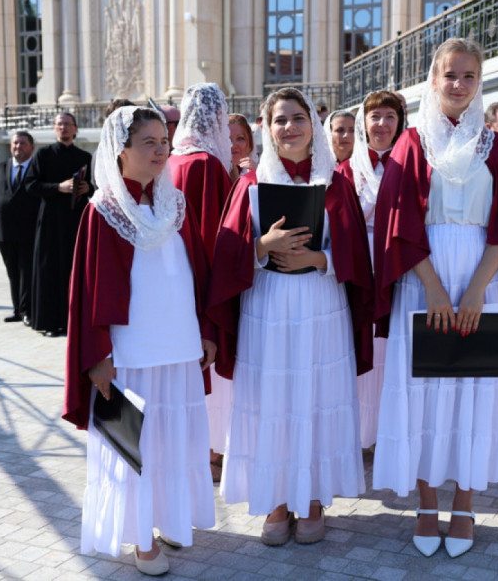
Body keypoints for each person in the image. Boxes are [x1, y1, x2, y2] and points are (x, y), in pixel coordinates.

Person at [372, 39, 498, 559]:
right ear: (434, 79)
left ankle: (463, 504)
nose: (459, 85)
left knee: (470, 390)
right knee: (422, 391)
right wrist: (434, 288)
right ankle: (425, 504)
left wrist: (478, 288)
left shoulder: (497, 146)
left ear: (479, 81)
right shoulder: (411, 143)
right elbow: (399, 223)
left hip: (482, 278)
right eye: (450, 75)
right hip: (424, 278)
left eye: (468, 76)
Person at [207, 87, 373, 547]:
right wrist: (263, 246)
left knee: (317, 396)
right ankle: (277, 501)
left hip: (322, 303)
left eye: (298, 117)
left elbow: (357, 256)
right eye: (279, 119)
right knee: (273, 399)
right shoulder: (250, 182)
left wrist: (318, 259)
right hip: (268, 305)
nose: (290, 127)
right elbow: (226, 255)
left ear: (312, 125)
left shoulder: (336, 182)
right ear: (267, 127)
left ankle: (314, 499)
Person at [63, 106, 217, 575]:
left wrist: (206, 331)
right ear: (121, 151)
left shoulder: (175, 204)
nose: (160, 150)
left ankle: (170, 518)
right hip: (130, 354)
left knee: (172, 442)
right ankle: (140, 537)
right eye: (148, 142)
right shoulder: (104, 210)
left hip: (179, 347)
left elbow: (197, 273)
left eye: (163, 141)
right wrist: (98, 355)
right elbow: (89, 290)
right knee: (134, 447)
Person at [168, 83, 233, 483]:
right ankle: (211, 452)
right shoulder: (206, 165)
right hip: (204, 279)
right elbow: (216, 233)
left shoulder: (173, 160)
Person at [336, 90, 405, 450]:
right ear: (363, 122)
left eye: (390, 117)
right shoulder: (345, 171)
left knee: (392, 346)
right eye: (375, 116)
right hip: (360, 261)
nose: (382, 124)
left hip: (398, 262)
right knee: (362, 341)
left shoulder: (410, 166)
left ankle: (389, 432)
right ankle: (359, 432)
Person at [24, 112, 93, 337]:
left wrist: (88, 188)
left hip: (75, 221)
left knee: (74, 270)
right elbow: (30, 185)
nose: (64, 128)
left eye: (68, 124)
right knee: (50, 270)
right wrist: (58, 187)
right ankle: (51, 323)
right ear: (54, 128)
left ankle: (73, 321)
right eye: (59, 124)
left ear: (75, 129)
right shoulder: (43, 154)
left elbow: (95, 186)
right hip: (50, 223)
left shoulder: (84, 156)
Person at [0, 131, 40, 326]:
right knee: (13, 272)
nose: (18, 147)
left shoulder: (38, 169)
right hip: (4, 230)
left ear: (32, 147)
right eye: (15, 143)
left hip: (30, 231)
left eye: (22, 143)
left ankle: (28, 312)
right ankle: (17, 310)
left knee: (26, 271)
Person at [169, 82, 233, 261]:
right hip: (201, 262)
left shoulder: (171, 159)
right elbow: (221, 228)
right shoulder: (207, 164)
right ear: (217, 115)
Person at [227, 113, 258, 182]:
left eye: (240, 138)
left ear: (250, 144)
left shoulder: (261, 174)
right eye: (228, 139)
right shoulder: (215, 172)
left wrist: (255, 176)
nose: (233, 145)